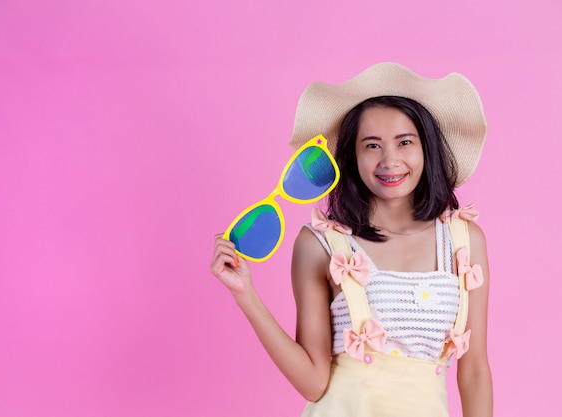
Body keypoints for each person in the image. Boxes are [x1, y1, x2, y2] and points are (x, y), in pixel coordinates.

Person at [210, 62, 492, 416]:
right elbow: (313, 382)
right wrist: (245, 295)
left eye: (405, 142)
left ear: (427, 148)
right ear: (351, 156)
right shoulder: (320, 245)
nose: (390, 160)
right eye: (371, 145)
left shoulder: (464, 241)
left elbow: (475, 370)